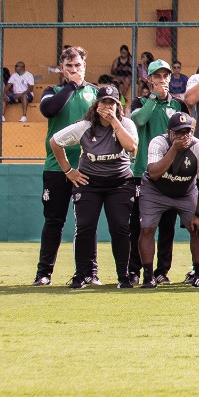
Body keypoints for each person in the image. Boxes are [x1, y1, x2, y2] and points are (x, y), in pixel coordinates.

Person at [47, 84, 139, 289]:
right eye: (104, 102)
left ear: (118, 105)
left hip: (120, 183)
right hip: (89, 183)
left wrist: (114, 120)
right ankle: (80, 276)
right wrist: (69, 171)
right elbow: (55, 142)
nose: (107, 106)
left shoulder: (126, 124)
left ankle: (123, 276)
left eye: (112, 103)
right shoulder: (85, 126)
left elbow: (131, 147)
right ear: (96, 105)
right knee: (85, 227)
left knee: (120, 227)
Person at [34, 47, 96, 285]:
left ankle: (90, 272)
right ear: (62, 68)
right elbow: (49, 110)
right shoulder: (53, 91)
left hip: (87, 167)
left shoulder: (95, 93)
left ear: (84, 66)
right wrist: (71, 85)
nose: (73, 70)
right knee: (54, 221)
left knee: (87, 223)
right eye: (69, 67)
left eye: (77, 66)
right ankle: (44, 274)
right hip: (56, 167)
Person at [136, 111, 199, 288]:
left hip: (186, 192)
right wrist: (174, 150)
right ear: (169, 132)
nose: (183, 136)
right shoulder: (158, 142)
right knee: (147, 228)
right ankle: (148, 276)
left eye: (187, 132)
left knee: (197, 230)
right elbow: (154, 173)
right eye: (178, 132)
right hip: (155, 191)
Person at [127, 59, 181, 285]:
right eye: (157, 76)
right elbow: (138, 121)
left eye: (165, 76)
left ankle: (162, 271)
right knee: (139, 225)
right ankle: (134, 270)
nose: (162, 80)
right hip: (143, 172)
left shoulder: (178, 104)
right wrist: (153, 98)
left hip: (171, 173)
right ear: (149, 79)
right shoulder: (139, 102)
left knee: (167, 225)